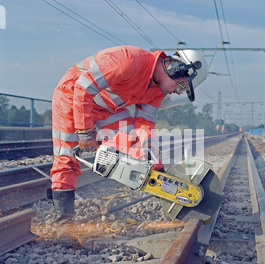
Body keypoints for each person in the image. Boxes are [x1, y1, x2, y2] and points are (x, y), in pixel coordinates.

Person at [50, 45, 208, 223]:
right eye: (180, 86)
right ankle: (64, 220)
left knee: (135, 147)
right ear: (175, 69)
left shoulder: (158, 90)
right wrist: (86, 132)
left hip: (107, 107)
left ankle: (165, 195)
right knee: (67, 157)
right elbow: (83, 87)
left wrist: (155, 165)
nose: (176, 92)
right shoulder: (128, 60)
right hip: (72, 96)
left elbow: (145, 122)